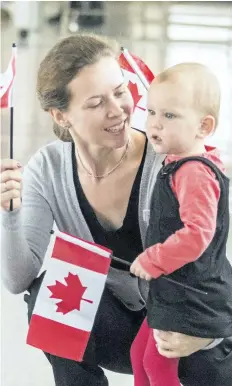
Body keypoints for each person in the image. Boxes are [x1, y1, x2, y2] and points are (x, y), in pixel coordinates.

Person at [0, 34, 229, 386]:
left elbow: (212, 267)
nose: (118, 109)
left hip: (191, 323)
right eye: (95, 103)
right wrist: (10, 215)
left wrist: (209, 333)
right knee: (48, 293)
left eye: (120, 91)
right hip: (122, 331)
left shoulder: (170, 160)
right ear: (61, 115)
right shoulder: (47, 169)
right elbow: (17, 279)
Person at [130, 63, 232, 386]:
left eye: (170, 116)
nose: (155, 124)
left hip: (189, 293)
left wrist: (153, 258)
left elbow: (197, 234)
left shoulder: (193, 173)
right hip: (172, 288)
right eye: (152, 112)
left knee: (158, 366)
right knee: (139, 355)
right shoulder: (179, 163)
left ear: (204, 126)